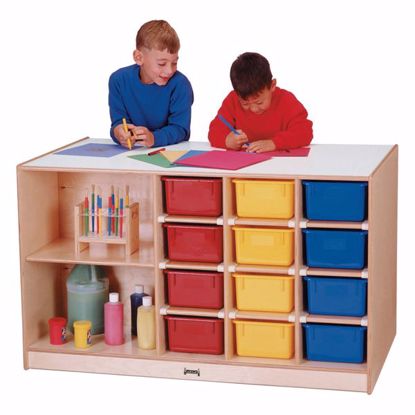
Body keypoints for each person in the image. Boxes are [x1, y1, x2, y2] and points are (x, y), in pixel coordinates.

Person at [109, 20, 193, 148]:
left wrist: (154, 138)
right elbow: (118, 122)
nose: (169, 70)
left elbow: (181, 129)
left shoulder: (180, 84)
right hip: (131, 152)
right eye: (161, 64)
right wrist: (118, 132)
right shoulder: (118, 80)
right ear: (139, 57)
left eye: (174, 63)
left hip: (170, 151)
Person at [208, 52, 313, 153]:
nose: (254, 109)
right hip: (243, 163)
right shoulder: (232, 100)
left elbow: (305, 132)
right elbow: (214, 132)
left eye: (259, 102)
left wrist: (274, 143)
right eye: (245, 104)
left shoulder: (286, 100)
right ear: (236, 93)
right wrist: (227, 141)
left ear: (272, 85)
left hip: (280, 163)